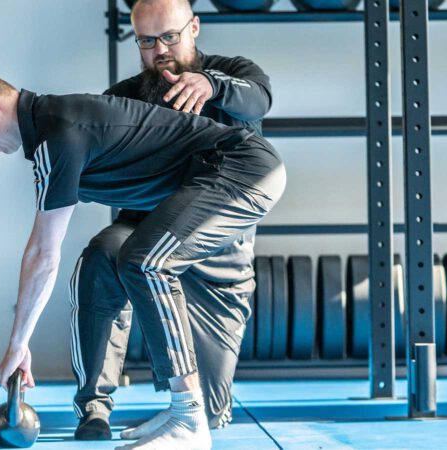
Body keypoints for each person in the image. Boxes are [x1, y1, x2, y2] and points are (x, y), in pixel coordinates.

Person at [0, 66, 285, 449]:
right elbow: (43, 250)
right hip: (225, 173)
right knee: (129, 256)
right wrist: (21, 340)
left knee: (146, 261)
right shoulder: (50, 130)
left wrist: (18, 344)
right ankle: (178, 410)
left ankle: (189, 417)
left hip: (241, 168)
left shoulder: (59, 132)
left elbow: (43, 252)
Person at [70, 0, 275, 440]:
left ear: (194, 28)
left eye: (170, 37)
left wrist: (210, 86)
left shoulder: (235, 73)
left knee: (214, 414)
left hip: (215, 248)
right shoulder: (123, 97)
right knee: (102, 255)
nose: (159, 50)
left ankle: (194, 410)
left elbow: (260, 99)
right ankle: (93, 406)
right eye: (147, 41)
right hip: (143, 231)